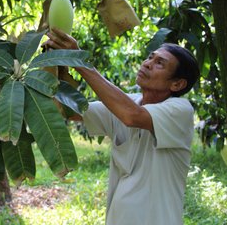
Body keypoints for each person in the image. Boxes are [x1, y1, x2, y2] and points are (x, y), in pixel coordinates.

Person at [45, 27, 200, 225]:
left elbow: (131, 116)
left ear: (177, 84)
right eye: (150, 58)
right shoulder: (128, 103)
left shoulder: (180, 110)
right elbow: (70, 111)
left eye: (159, 63)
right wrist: (55, 69)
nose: (147, 64)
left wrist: (79, 61)